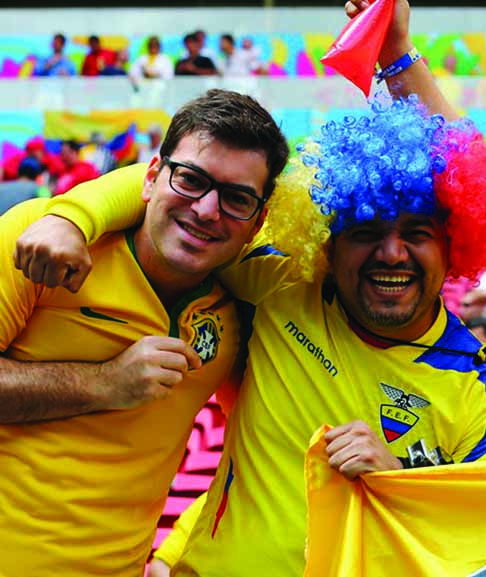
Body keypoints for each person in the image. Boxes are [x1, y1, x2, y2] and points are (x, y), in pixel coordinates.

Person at [14, 2, 486, 573]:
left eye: (417, 234)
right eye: (364, 230)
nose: (390, 252)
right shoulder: (276, 286)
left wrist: (403, 487)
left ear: (456, 244)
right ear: (328, 245)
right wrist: (71, 217)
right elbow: (187, 196)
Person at [0, 89, 289, 576]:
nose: (206, 210)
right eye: (191, 180)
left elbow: (260, 456)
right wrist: (104, 383)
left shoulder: (237, 311)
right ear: (152, 177)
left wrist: (176, 553)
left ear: (257, 220)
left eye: (236, 198)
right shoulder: (40, 240)